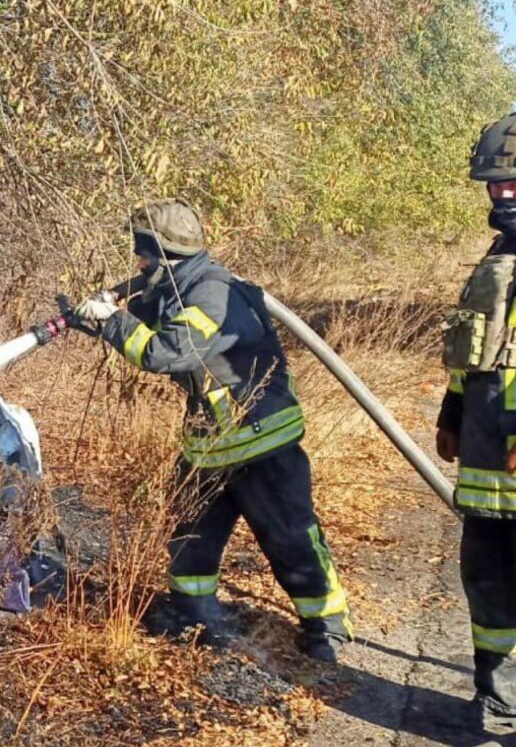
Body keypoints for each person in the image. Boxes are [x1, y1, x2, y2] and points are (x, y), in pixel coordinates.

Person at [64, 198, 353, 662]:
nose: (136, 263)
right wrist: (97, 321)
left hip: (261, 442)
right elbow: (156, 325)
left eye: (141, 253)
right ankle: (192, 611)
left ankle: (326, 626)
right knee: (188, 533)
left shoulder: (212, 293)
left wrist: (113, 321)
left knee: (289, 535)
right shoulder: (181, 285)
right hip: (210, 444)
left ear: (161, 254)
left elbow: (165, 353)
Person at [435, 114, 516, 747]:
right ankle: (499, 699)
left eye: (514, 183)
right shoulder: (500, 257)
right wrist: (452, 414)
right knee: (487, 582)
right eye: (495, 186)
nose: (504, 196)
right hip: (491, 469)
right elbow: (478, 351)